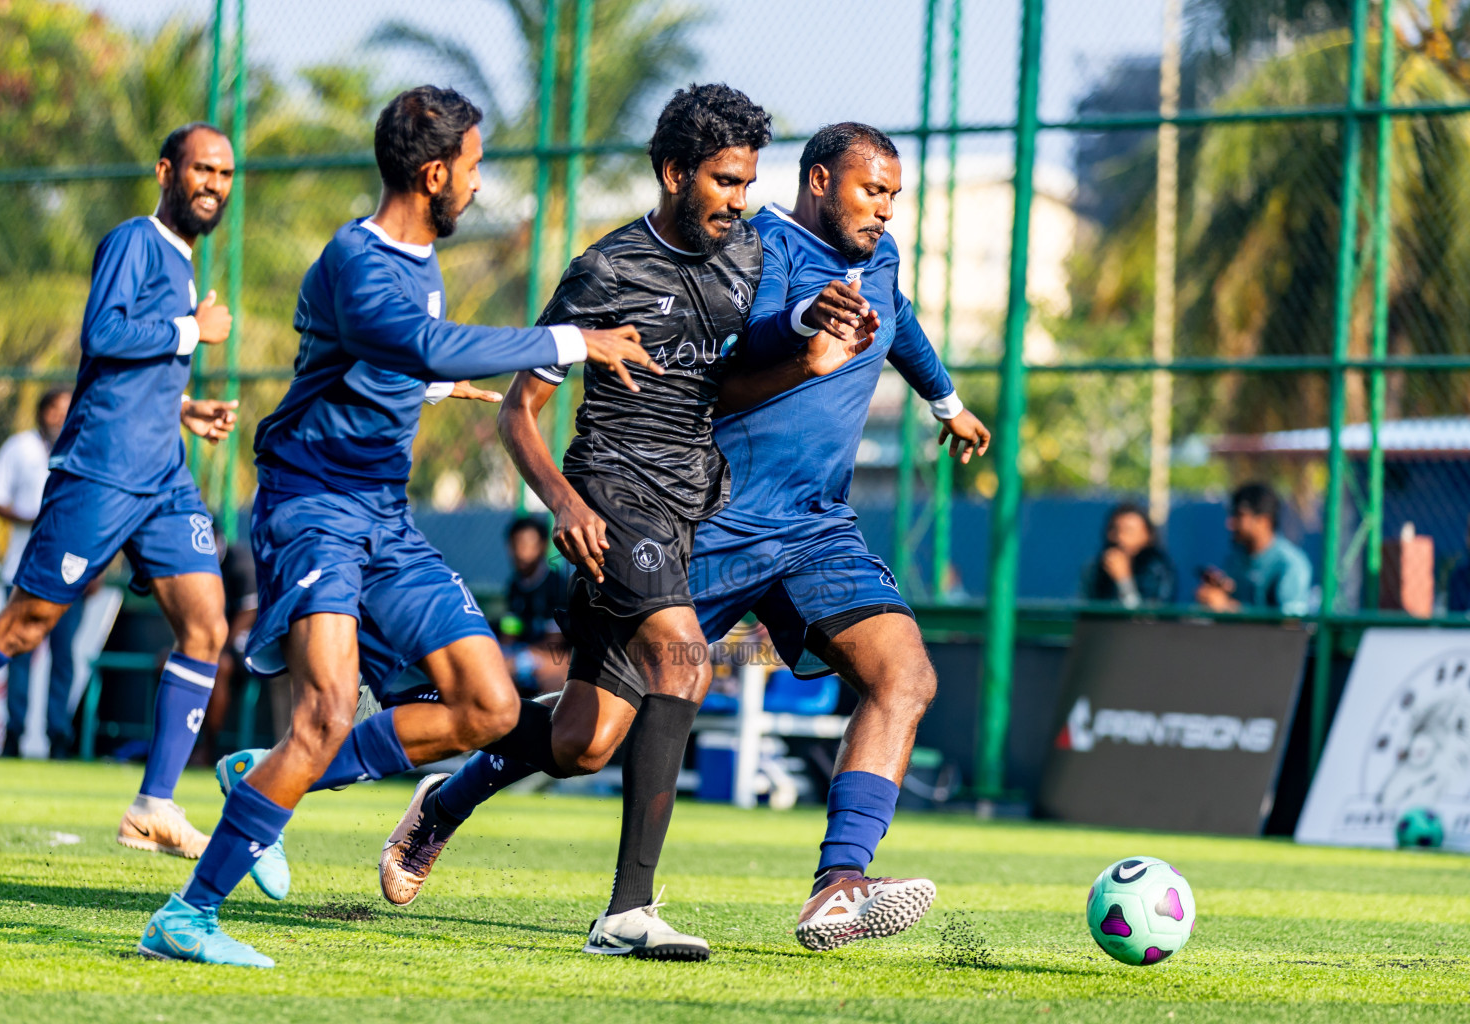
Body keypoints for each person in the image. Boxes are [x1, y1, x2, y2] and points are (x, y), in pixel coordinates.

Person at [379, 117, 966, 956]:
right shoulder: (748, 251)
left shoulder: (879, 255)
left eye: (894, 196)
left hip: (815, 527)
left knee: (904, 675)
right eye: (873, 192)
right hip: (704, 522)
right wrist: (804, 329)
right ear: (821, 181)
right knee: (585, 741)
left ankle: (839, 882)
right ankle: (447, 798)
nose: (885, 210)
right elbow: (719, 373)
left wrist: (945, 401)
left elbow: (896, 318)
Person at [138, 86, 658, 969]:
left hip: (384, 513)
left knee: (489, 706)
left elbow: (386, 359)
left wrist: (424, 387)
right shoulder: (357, 256)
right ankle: (186, 915)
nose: (479, 185)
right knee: (329, 707)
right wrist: (570, 341)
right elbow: (412, 341)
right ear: (433, 173)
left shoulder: (417, 260)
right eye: (474, 168)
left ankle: (269, 771)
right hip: (313, 509)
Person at [0, 125, 239, 856]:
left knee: (206, 625)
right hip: (100, 472)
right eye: (202, 169)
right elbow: (102, 334)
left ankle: (153, 806)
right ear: (168, 171)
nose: (214, 184)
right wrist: (191, 332)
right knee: (25, 624)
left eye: (225, 174)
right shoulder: (136, 240)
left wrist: (183, 407)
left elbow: (135, 373)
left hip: (162, 475)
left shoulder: (185, 261)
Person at [0, 387, 84, 758]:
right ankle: (14, 733)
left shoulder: (83, 445)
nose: (61, 416)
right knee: (18, 651)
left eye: (66, 409)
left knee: (64, 656)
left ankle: (58, 735)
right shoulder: (20, 447)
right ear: (41, 412)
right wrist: (32, 519)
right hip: (23, 569)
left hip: (72, 571)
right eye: (55, 409)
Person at [190, 532, 259, 765]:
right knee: (168, 663)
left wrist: (218, 646)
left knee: (220, 666)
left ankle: (208, 748)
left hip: (247, 645)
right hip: (211, 641)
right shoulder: (195, 565)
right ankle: (170, 745)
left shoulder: (239, 560)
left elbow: (249, 611)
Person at [1195, 481, 1312, 615]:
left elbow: (1291, 623)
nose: (1230, 524)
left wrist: (1227, 608)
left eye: (1239, 515)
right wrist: (1219, 593)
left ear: (1263, 521)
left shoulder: (1291, 563)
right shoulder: (1235, 559)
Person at [499, 516, 567, 695]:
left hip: (553, 658)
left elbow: (555, 642)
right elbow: (510, 629)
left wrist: (516, 659)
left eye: (528, 544)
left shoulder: (556, 586)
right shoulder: (514, 585)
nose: (521, 551)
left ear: (543, 546)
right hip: (522, 651)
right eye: (516, 544)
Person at [1079, 502, 1177, 608]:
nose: (1120, 537)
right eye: (1115, 529)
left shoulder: (1159, 570)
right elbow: (1084, 607)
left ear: (1148, 536)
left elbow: (1148, 618)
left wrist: (1124, 579)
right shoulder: (1095, 568)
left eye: (1129, 530)